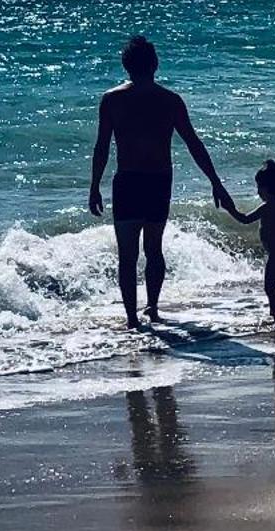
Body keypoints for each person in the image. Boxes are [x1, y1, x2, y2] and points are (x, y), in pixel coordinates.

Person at [90, 35, 238, 328]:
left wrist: (94, 186)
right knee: (154, 249)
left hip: (127, 181)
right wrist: (215, 182)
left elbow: (102, 148)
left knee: (127, 256)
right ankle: (153, 308)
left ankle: (132, 319)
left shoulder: (112, 100)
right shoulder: (170, 101)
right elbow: (194, 144)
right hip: (159, 180)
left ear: (126, 65)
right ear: (155, 65)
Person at [232, 159, 275, 330]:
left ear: (266, 188)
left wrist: (230, 208)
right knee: (271, 286)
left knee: (270, 286)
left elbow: (245, 219)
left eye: (259, 187)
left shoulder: (268, 206)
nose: (258, 191)